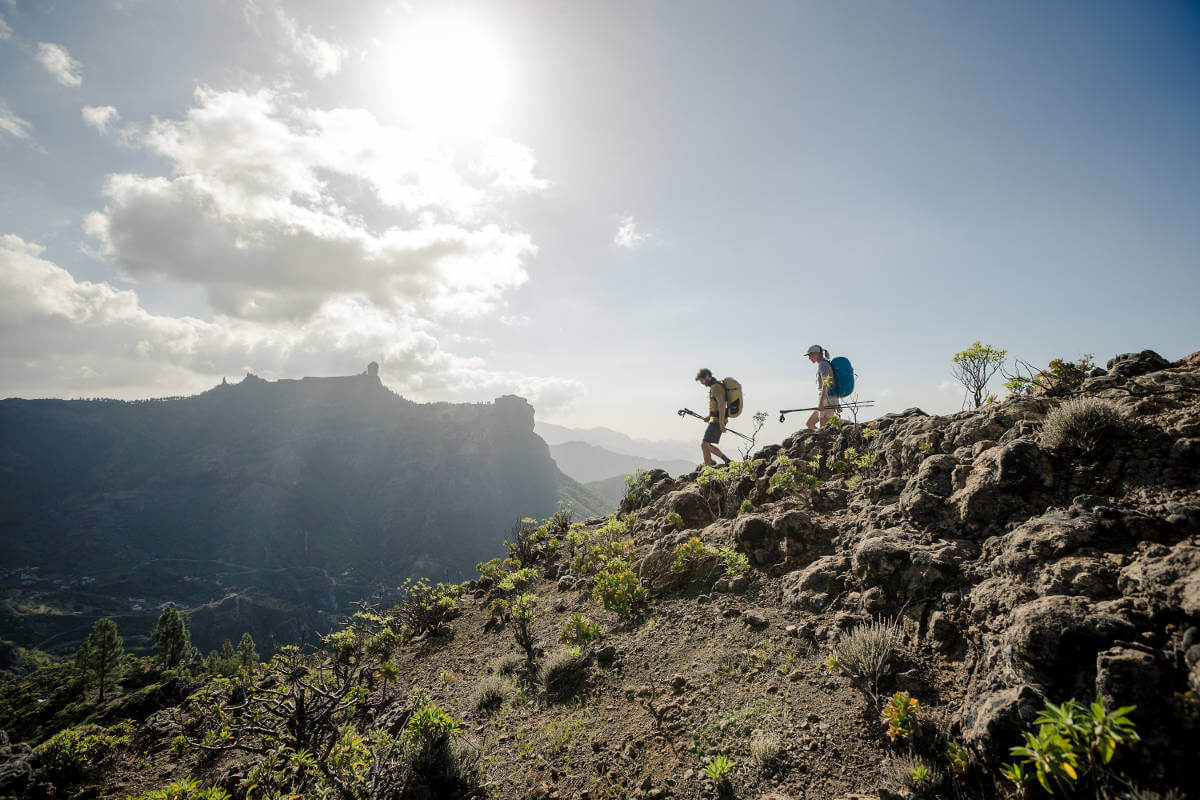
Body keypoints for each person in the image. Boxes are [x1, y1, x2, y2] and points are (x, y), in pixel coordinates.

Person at [695, 368, 733, 466]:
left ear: (707, 376)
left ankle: (708, 471)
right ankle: (727, 460)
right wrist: (710, 416)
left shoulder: (716, 387)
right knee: (707, 445)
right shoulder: (715, 386)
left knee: (704, 445)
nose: (702, 383)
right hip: (715, 419)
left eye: (701, 380)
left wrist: (721, 423)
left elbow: (721, 404)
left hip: (717, 421)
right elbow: (717, 405)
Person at [805, 345, 841, 430]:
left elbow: (826, 383)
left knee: (823, 429)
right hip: (828, 398)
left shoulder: (823, 365)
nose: (809, 358)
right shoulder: (824, 364)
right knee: (810, 424)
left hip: (827, 399)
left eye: (810, 355)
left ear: (817, 354)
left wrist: (821, 402)